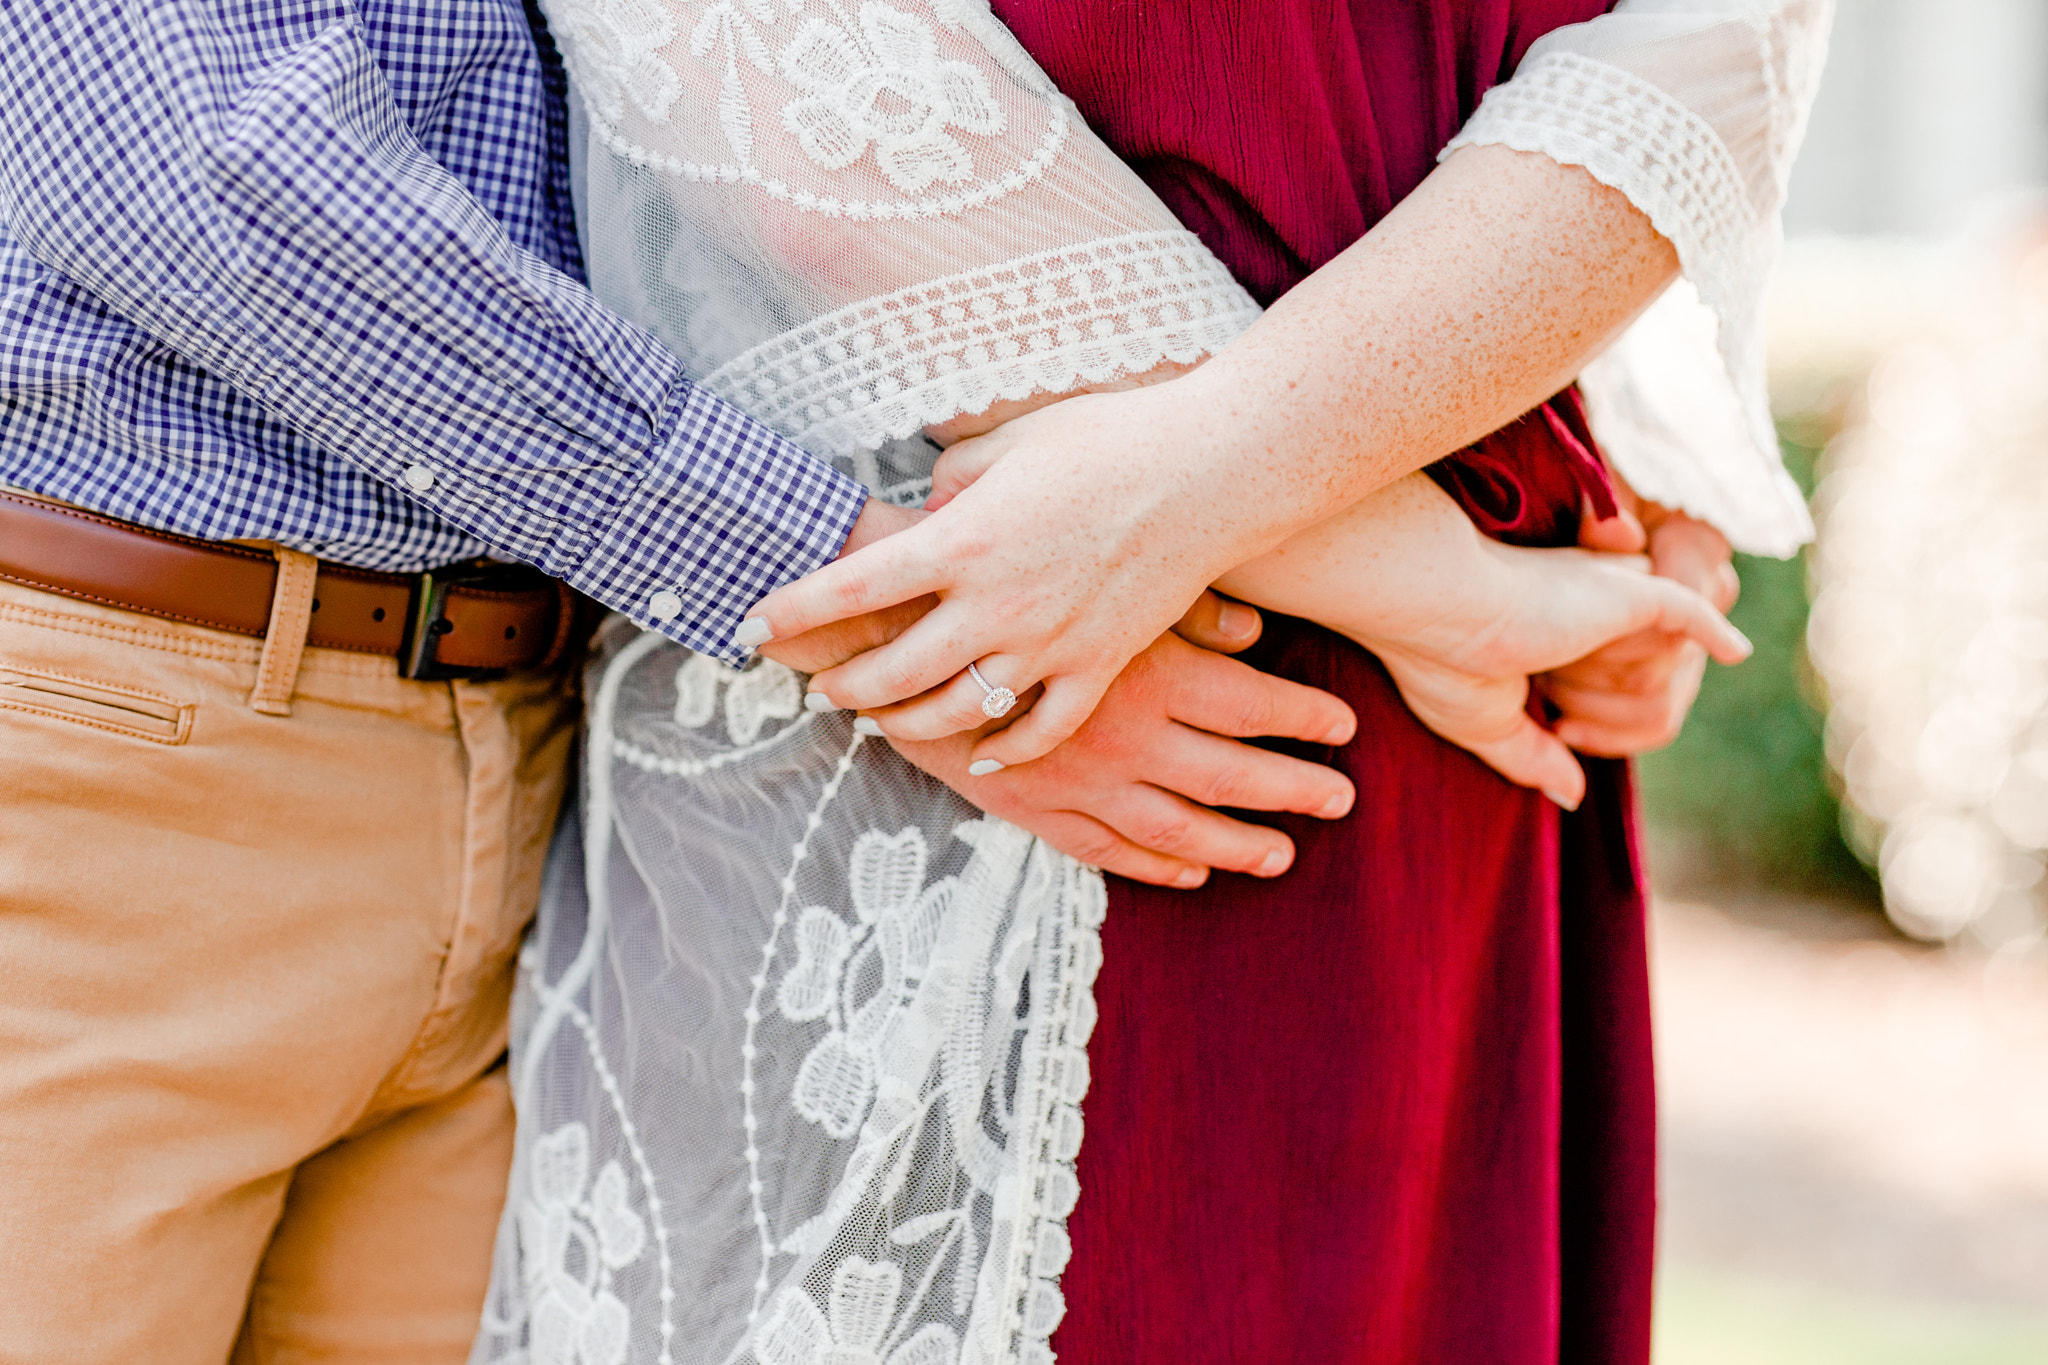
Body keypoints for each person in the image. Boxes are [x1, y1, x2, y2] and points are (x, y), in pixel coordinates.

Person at [0, 3, 1381, 1361]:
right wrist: (883, 616)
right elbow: (229, 188)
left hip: (533, 763)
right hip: (125, 753)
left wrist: (1440, 553)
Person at [477, 3, 1827, 1365]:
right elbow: (773, 63)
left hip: (1447, 789)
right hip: (999, 728)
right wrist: (1429, 574)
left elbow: (1706, 54)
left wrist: (1625, 478)